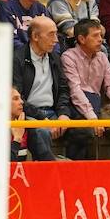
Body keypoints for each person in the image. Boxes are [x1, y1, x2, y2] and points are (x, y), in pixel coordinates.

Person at [62, 19, 110, 159]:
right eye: (95, 36)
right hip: (76, 107)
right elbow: (75, 91)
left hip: (97, 104)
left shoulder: (102, 57)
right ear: (81, 39)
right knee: (87, 131)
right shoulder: (68, 57)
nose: (100, 40)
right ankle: (82, 173)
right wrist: (93, 119)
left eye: (101, 35)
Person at [14, 17, 72, 161]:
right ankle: (52, 169)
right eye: (51, 34)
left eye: (56, 34)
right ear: (35, 36)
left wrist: (63, 114)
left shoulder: (55, 58)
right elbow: (18, 97)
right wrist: (42, 118)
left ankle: (76, 175)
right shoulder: (17, 59)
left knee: (84, 132)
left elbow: (64, 89)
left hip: (53, 112)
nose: (56, 40)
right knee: (41, 132)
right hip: (28, 113)